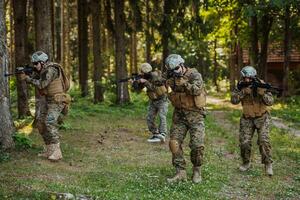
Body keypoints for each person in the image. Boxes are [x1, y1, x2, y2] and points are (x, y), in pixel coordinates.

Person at [20, 51, 70, 161]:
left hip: (57, 100)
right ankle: (49, 149)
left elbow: (42, 84)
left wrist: (27, 79)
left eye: (36, 63)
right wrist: (29, 73)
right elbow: (39, 80)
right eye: (33, 64)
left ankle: (57, 152)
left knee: (50, 122)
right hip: (47, 100)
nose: (34, 66)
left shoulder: (51, 69)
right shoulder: (42, 70)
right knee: (40, 123)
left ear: (42, 62)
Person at [165, 54, 206, 183]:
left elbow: (197, 90)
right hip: (179, 116)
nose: (175, 72)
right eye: (172, 70)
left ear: (182, 65)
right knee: (174, 143)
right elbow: (159, 81)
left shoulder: (194, 75)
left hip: (195, 116)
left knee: (197, 145)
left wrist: (185, 83)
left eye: (177, 68)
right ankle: (180, 172)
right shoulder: (171, 76)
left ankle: (197, 170)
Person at [231, 66, 274, 176]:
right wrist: (243, 92)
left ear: (254, 77)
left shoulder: (262, 84)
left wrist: (262, 94)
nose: (247, 80)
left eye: (250, 78)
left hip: (262, 118)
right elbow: (234, 100)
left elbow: (270, 102)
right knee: (244, 142)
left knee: (264, 141)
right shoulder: (240, 85)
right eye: (245, 78)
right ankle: (246, 163)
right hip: (247, 118)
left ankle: (268, 164)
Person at [133, 63, 168, 143]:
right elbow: (138, 89)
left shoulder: (156, 76)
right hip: (153, 100)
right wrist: (136, 83)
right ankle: (156, 134)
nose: (141, 73)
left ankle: (162, 134)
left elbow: (155, 88)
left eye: (142, 72)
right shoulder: (145, 77)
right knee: (149, 117)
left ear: (145, 71)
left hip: (162, 100)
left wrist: (145, 82)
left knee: (162, 116)